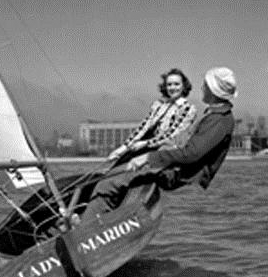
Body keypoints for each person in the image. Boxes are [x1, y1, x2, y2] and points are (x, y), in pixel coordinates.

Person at [81, 67, 237, 222]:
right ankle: (88, 218)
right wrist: (124, 149)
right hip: (169, 162)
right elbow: (153, 132)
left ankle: (86, 229)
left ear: (213, 90)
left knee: (108, 184)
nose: (202, 88)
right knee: (109, 176)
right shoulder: (213, 115)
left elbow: (190, 154)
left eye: (205, 85)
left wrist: (148, 157)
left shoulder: (219, 120)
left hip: (177, 172)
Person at [106, 68, 197, 162]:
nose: (172, 88)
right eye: (169, 84)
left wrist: (145, 143)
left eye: (176, 84)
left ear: (184, 86)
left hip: (169, 154)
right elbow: (143, 127)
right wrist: (123, 148)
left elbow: (171, 135)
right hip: (148, 148)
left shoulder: (187, 109)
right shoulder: (159, 106)